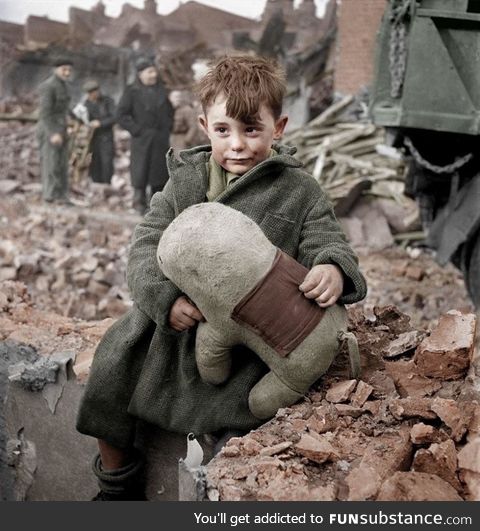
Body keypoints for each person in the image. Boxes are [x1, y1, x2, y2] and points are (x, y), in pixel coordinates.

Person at [76, 55, 367, 501]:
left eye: (252, 130)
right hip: (176, 326)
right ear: (203, 126)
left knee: (242, 410)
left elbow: (326, 238)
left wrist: (330, 266)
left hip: (245, 335)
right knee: (114, 367)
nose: (237, 146)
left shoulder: (298, 190)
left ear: (279, 127)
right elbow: (145, 243)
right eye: (223, 130)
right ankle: (117, 485)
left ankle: (219, 480)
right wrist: (164, 299)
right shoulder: (184, 182)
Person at [116, 57, 173, 214]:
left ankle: (156, 205)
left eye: (154, 71)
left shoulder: (161, 90)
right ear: (140, 74)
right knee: (141, 171)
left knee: (159, 173)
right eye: (149, 72)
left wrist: (167, 128)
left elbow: (169, 111)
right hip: (142, 139)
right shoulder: (132, 91)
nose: (153, 75)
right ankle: (139, 203)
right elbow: (121, 115)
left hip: (160, 138)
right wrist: (137, 130)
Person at [36, 57, 74, 205]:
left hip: (62, 128)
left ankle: (62, 196)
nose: (67, 72)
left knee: (62, 164)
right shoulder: (48, 86)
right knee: (51, 163)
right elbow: (45, 113)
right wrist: (53, 133)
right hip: (49, 129)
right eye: (64, 69)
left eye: (69, 70)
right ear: (56, 69)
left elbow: (65, 109)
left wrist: (71, 122)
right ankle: (49, 196)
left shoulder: (65, 86)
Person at [83, 80, 116, 184]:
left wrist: (100, 123)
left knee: (107, 162)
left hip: (106, 137)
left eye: (95, 92)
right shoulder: (86, 104)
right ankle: (96, 184)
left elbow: (114, 117)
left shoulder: (107, 101)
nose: (93, 95)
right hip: (93, 138)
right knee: (95, 162)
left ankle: (107, 184)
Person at [169, 89, 207, 155]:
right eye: (174, 97)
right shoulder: (167, 109)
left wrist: (187, 140)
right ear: (170, 98)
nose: (177, 99)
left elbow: (193, 126)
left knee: (179, 159)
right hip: (170, 137)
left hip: (181, 138)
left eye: (178, 97)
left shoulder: (187, 110)